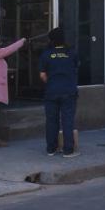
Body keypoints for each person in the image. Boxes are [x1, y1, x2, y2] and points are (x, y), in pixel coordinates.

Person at [39, 27, 80, 158]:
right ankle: (68, 150)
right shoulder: (71, 53)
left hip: (51, 91)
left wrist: (51, 83)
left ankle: (51, 148)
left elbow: (42, 75)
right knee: (67, 120)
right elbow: (76, 67)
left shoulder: (46, 54)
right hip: (68, 91)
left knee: (51, 121)